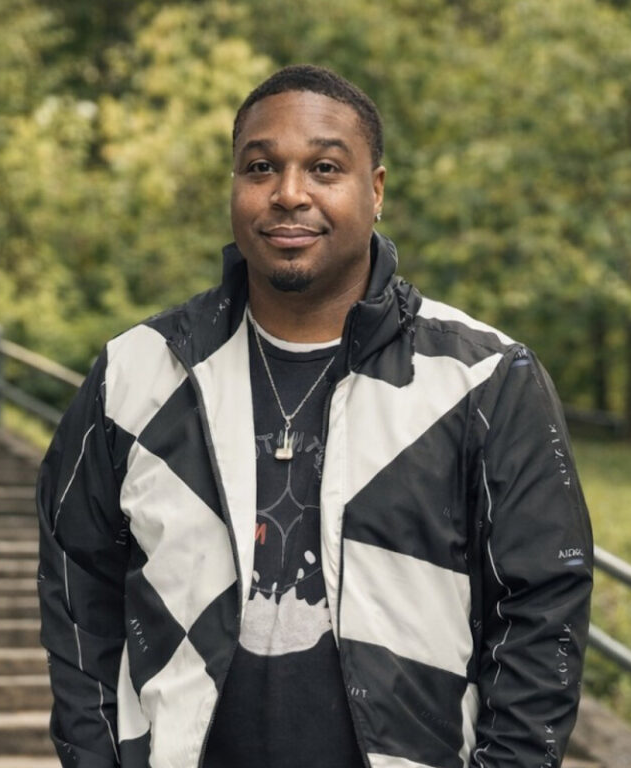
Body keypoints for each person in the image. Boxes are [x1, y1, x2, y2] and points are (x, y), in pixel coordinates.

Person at [37, 64, 593, 768]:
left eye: (325, 167)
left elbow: (542, 611)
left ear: (376, 190)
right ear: (235, 187)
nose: (289, 194)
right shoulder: (136, 374)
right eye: (261, 167)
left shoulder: (483, 381)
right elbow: (74, 585)